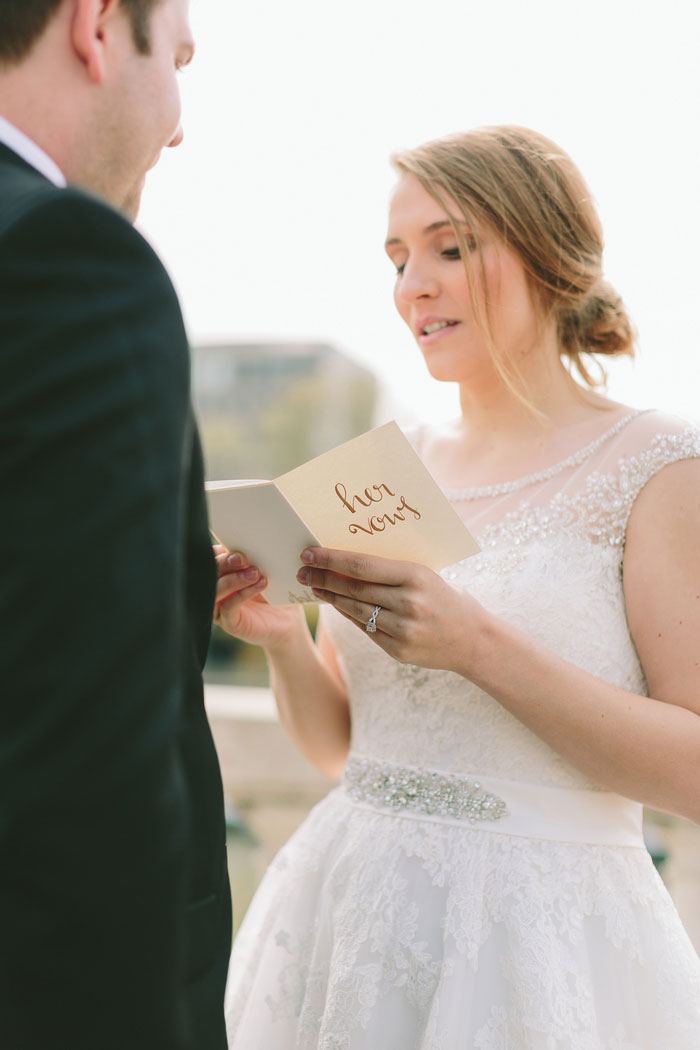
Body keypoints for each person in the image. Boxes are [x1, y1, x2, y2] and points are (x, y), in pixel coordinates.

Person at [217, 126, 700, 1049]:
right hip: (347, 920)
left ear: (547, 250)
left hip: (541, 950)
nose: (413, 287)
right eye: (398, 260)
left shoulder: (660, 465)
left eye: (450, 247)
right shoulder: (388, 467)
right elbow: (342, 748)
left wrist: (477, 646)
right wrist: (281, 635)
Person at [0, 2, 230, 1047]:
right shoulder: (61, 259)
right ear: (97, 27)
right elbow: (86, 812)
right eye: (176, 58)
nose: (177, 124)